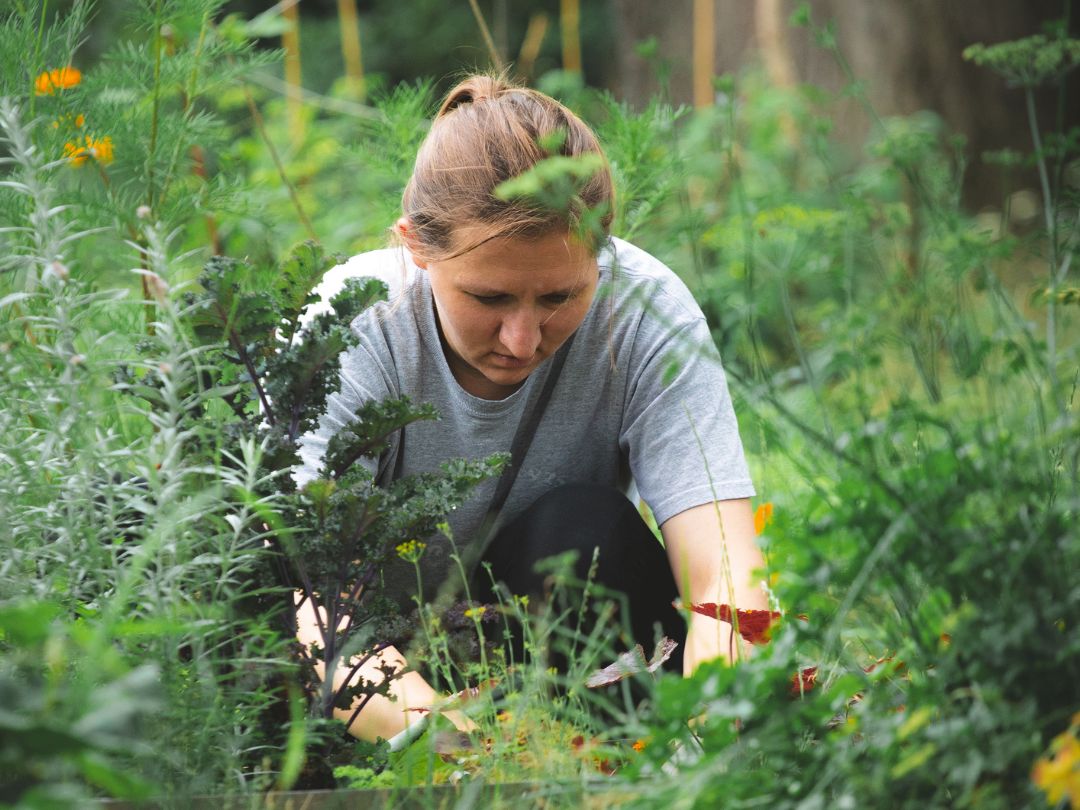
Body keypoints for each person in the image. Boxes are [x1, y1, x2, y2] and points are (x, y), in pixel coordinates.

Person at [293, 73, 768, 743]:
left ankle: (620, 755)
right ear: (416, 247)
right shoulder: (354, 323)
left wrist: (718, 728)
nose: (523, 340)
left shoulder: (646, 311)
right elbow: (315, 611)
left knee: (586, 530)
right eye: (489, 299)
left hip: (556, 653)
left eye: (558, 298)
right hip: (370, 683)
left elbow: (725, 570)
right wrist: (466, 754)